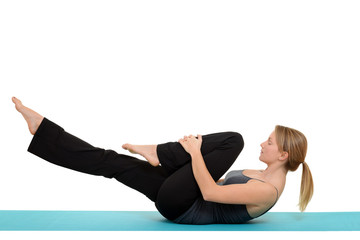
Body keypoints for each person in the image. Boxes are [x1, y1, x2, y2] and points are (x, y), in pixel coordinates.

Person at [11, 97, 313, 224]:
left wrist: (194, 154)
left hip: (183, 207)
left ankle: (161, 153)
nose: (264, 143)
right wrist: (189, 163)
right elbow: (214, 184)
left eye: (270, 142)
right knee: (112, 162)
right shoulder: (258, 173)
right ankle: (44, 131)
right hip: (181, 194)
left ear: (283, 155)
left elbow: (210, 193)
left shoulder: (267, 190)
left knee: (235, 139)